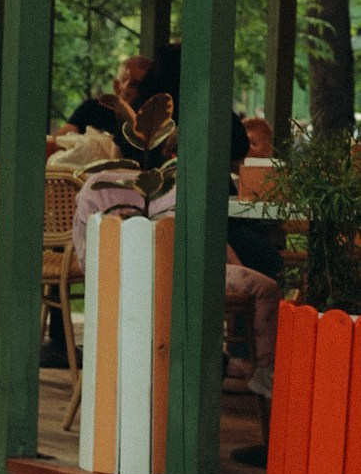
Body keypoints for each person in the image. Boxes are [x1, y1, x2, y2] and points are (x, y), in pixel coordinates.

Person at [71, 167, 280, 401]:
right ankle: (262, 372)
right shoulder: (176, 185)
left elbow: (86, 257)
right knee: (266, 286)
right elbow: (210, 236)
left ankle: (238, 367)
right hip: (179, 272)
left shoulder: (99, 188)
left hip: (130, 276)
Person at [58, 54, 152, 137]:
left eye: (146, 88)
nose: (140, 93)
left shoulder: (151, 126)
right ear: (116, 87)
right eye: (134, 84)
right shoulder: (91, 110)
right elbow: (57, 142)